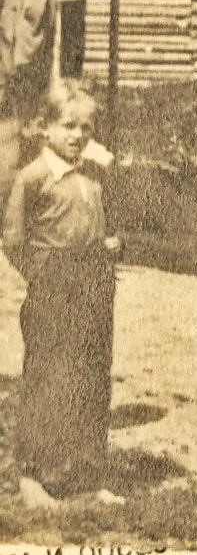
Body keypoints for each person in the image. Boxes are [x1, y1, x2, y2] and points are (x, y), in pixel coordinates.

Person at [2, 81, 122, 505]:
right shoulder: (33, 178)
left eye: (85, 128)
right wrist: (44, 273)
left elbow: (101, 223)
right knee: (49, 378)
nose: (77, 136)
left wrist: (109, 245)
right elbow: (13, 240)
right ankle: (35, 473)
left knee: (91, 375)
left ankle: (87, 473)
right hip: (53, 287)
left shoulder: (94, 174)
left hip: (94, 283)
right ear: (45, 128)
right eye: (68, 126)